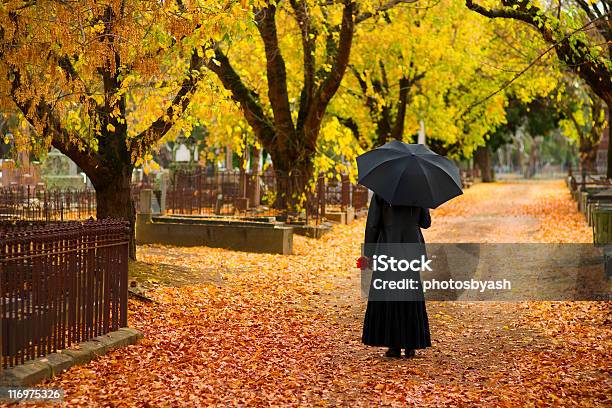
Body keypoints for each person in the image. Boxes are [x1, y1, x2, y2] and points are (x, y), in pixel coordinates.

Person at [361, 193, 432, 358]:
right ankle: (411, 344)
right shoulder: (418, 190)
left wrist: (369, 254)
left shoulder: (382, 191)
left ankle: (394, 345)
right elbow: (425, 223)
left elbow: (373, 225)